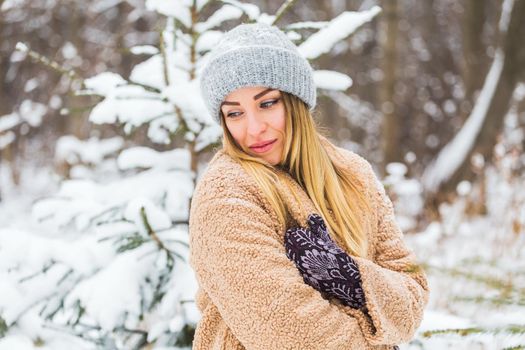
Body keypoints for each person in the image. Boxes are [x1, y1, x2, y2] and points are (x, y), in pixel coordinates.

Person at [189, 22, 429, 350]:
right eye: (235, 113)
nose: (254, 128)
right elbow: (286, 331)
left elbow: (413, 294)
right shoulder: (226, 192)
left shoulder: (354, 174)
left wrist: (352, 279)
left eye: (267, 103)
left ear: (296, 100)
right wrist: (375, 322)